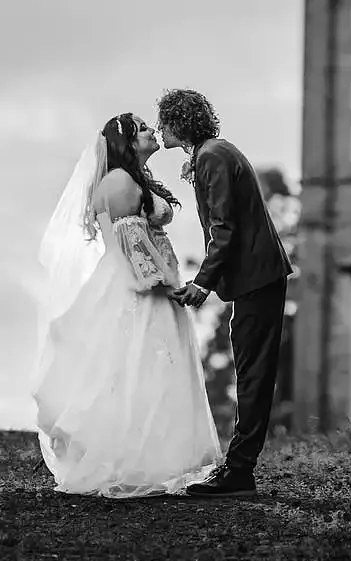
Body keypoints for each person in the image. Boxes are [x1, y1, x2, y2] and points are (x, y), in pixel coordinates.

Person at [32, 113, 222, 498]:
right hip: (136, 286)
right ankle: (128, 461)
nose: (153, 131)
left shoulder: (132, 179)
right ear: (129, 141)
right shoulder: (119, 181)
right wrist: (158, 282)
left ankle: (149, 458)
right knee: (135, 366)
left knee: (144, 369)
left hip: (144, 280)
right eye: (144, 128)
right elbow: (129, 242)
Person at [156, 87, 295, 498]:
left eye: (164, 122)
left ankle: (239, 473)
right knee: (250, 371)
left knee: (253, 374)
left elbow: (224, 227)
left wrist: (202, 284)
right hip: (256, 277)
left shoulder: (212, 156)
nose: (160, 130)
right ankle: (238, 469)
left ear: (179, 122)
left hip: (258, 276)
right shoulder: (213, 152)